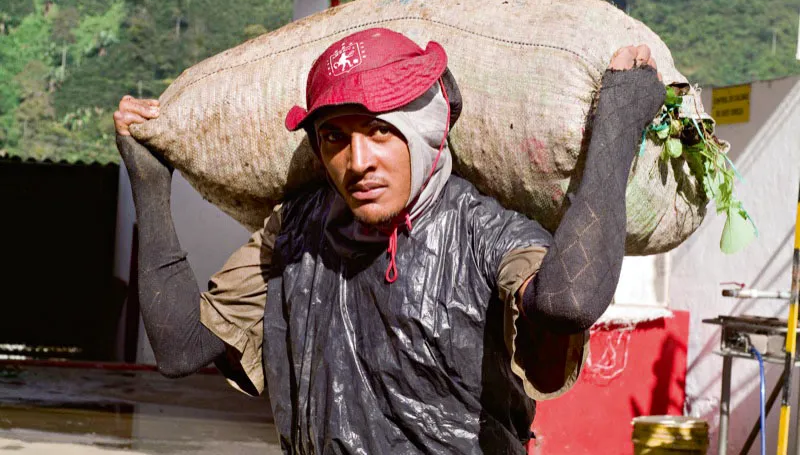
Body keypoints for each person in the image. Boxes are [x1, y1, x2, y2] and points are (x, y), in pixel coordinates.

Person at [114, 27, 664, 454]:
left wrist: (616, 125)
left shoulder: (480, 232)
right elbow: (183, 346)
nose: (357, 162)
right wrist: (149, 181)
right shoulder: (296, 231)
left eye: (380, 129)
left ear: (427, 126)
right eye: (335, 137)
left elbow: (568, 301)